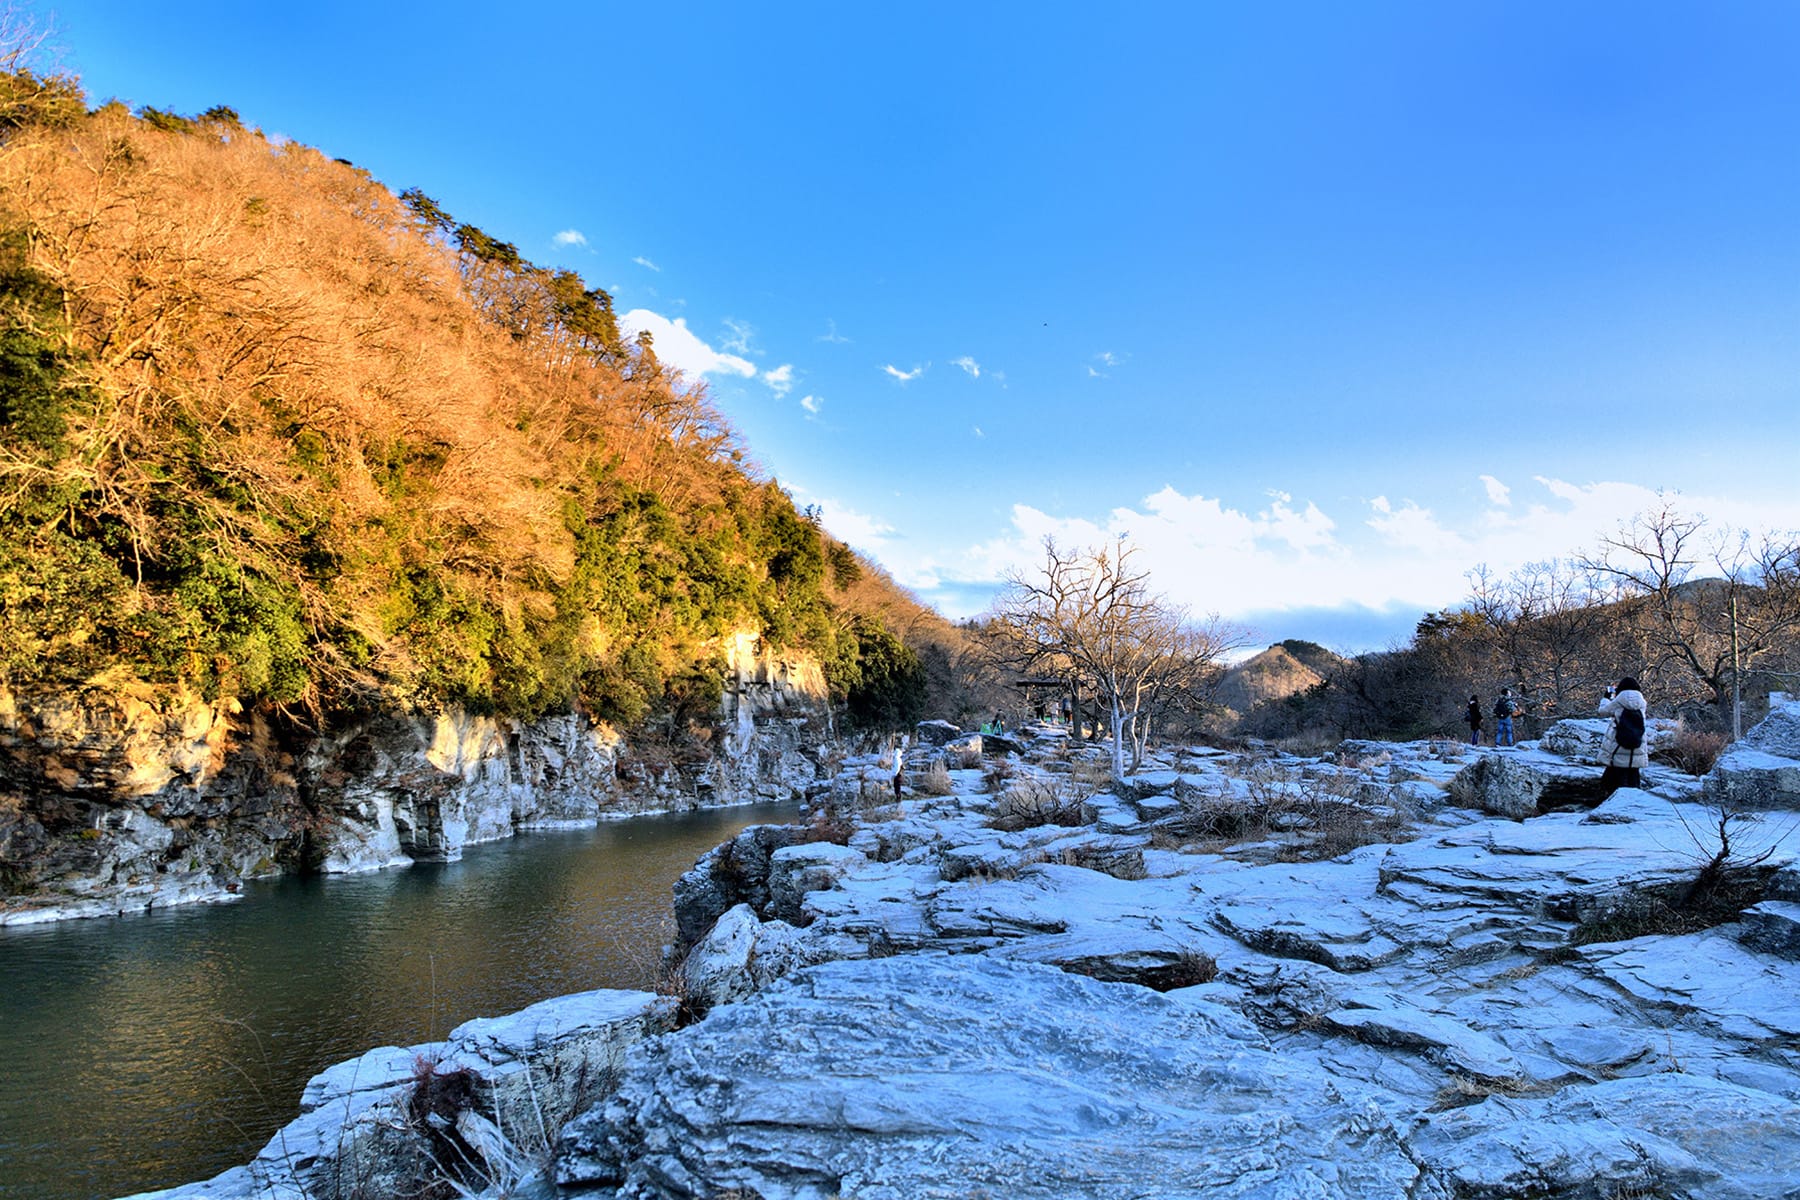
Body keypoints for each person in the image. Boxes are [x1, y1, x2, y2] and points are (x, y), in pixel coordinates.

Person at [1598, 677, 1649, 793]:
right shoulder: (1642, 702)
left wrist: (1606, 698)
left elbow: (1602, 711)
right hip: (1637, 745)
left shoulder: (1618, 700)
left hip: (1619, 744)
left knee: (1613, 778)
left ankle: (1608, 801)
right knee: (1633, 777)